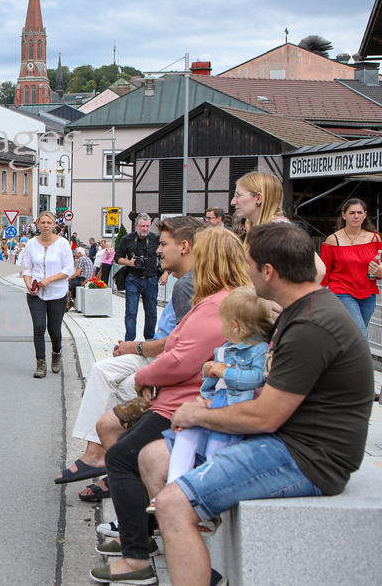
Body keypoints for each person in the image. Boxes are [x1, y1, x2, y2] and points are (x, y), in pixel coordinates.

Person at [149, 222, 374, 586]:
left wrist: (200, 413)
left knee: (173, 505)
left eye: (249, 263)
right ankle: (201, 569)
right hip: (290, 440)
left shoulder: (311, 326)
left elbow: (265, 416)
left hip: (308, 457)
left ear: (268, 271)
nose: (245, 271)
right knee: (152, 458)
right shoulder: (304, 306)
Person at [90, 227, 250, 585]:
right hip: (177, 398)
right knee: (119, 441)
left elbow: (181, 359)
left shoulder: (217, 304)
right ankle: (141, 536)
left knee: (120, 458)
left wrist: (145, 376)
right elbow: (178, 347)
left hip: (181, 402)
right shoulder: (216, 299)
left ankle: (136, 556)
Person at [56, 217, 200, 499]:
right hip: (156, 353)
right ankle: (96, 454)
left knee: (122, 388)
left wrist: (138, 350)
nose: (158, 250)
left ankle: (119, 469)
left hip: (162, 361)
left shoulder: (188, 287)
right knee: (101, 369)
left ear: (184, 247)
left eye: (164, 244)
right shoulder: (184, 283)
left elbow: (182, 347)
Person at [162, 286, 273, 486]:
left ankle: (209, 486)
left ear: (236, 326)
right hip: (217, 400)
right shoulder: (227, 347)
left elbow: (256, 378)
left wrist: (224, 372)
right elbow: (212, 381)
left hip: (234, 405)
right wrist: (208, 370)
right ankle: (175, 482)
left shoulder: (259, 350)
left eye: (223, 322)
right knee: (186, 434)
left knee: (217, 446)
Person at [20, 212, 74, 378]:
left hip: (57, 292)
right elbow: (26, 268)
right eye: (42, 222)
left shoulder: (63, 244)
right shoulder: (31, 244)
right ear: (38, 223)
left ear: (53, 224)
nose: (45, 225)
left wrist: (49, 280)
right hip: (36, 293)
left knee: (54, 329)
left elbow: (68, 270)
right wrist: (29, 284)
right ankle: (40, 363)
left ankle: (56, 353)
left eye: (48, 222)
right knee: (39, 327)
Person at [320, 197, 382, 337]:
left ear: (365, 215)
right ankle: (362, 359)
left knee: (353, 335)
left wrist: (380, 272)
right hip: (342, 292)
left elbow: (380, 265)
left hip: (368, 293)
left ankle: (339, 356)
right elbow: (325, 271)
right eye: (352, 212)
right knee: (360, 334)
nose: (356, 216)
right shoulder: (333, 239)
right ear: (344, 215)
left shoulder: (374, 238)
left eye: (360, 213)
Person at [115, 214, 161, 342]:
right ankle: (129, 341)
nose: (145, 229)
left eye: (148, 226)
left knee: (151, 312)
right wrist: (129, 262)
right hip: (133, 278)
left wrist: (166, 273)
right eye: (143, 226)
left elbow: (165, 255)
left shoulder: (156, 239)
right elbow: (117, 258)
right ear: (136, 226)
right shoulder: (127, 239)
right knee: (131, 311)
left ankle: (149, 339)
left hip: (151, 279)